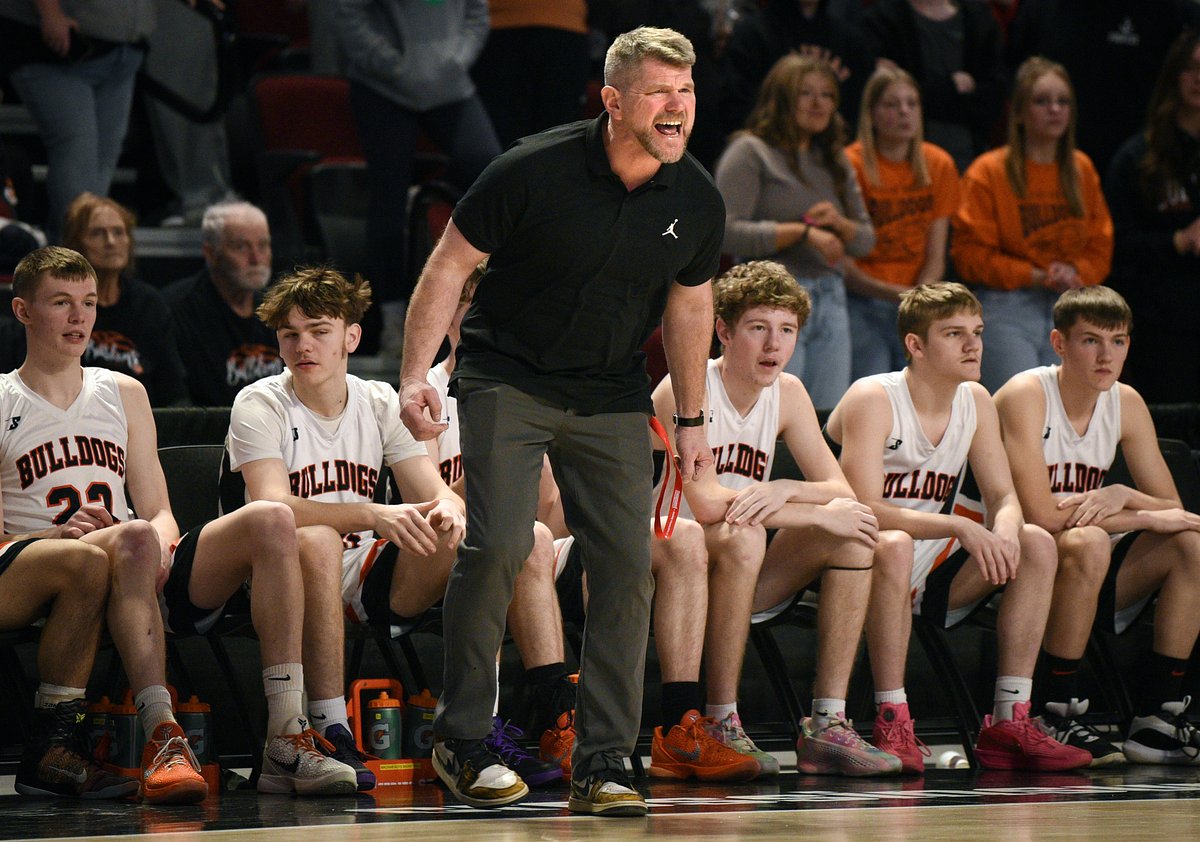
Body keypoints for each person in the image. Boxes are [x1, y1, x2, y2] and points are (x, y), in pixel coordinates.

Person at [398, 26, 723, 816]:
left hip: (610, 389)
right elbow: (449, 263)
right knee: (504, 542)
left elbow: (690, 304)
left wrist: (691, 417)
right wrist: (412, 374)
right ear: (614, 101)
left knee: (626, 563)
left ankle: (606, 759)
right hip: (506, 374)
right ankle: (462, 736)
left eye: (685, 91)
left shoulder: (697, 198)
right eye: (658, 91)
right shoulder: (531, 168)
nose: (676, 106)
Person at [5, 246, 362, 799]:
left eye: (90, 303)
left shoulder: (124, 392)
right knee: (117, 541)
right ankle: (161, 731)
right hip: (29, 562)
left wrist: (164, 543)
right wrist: (50, 536)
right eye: (61, 303)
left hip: (130, 557)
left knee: (268, 516)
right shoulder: (3, 397)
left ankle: (286, 736)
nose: (79, 318)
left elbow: (160, 509)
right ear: (23, 311)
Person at [427, 263, 753, 783]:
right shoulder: (427, 392)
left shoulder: (547, 388)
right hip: (455, 545)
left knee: (675, 537)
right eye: (473, 309)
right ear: (448, 316)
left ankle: (681, 722)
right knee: (522, 538)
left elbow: (558, 512)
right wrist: (503, 466)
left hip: (541, 546)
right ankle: (557, 713)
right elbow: (426, 495)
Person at [825, 282, 1091, 773]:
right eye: (955, 334)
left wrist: (1006, 529)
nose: (974, 345)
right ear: (916, 345)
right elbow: (863, 508)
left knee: (1035, 541)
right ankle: (891, 716)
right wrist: (960, 527)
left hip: (928, 563)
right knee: (894, 542)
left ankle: (1010, 719)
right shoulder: (873, 396)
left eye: (978, 332)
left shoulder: (975, 399)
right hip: (852, 563)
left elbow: (1004, 496)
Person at [224, 266, 467, 793]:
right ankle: (333, 725)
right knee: (314, 537)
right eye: (289, 334)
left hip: (363, 575)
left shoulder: (378, 400)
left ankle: (477, 726)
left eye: (318, 330)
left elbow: (431, 489)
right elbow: (272, 503)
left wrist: (450, 508)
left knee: (461, 534)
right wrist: (370, 515)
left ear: (351, 337)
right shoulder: (259, 402)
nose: (302, 345)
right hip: (273, 575)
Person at [653, 259, 900, 777]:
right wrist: (805, 511)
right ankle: (722, 719)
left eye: (786, 330)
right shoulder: (683, 386)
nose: (774, 345)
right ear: (722, 330)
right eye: (759, 328)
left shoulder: (789, 392)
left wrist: (785, 488)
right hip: (674, 570)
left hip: (746, 565)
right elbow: (705, 504)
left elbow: (840, 490)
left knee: (854, 534)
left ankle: (828, 725)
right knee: (744, 535)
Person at [995, 285, 1200, 766]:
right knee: (1087, 539)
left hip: (1082, 566)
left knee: (1190, 542)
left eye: (1119, 341)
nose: (1107, 356)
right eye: (1091, 341)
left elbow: (1172, 506)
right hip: (1007, 563)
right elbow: (1041, 516)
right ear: (1059, 343)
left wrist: (1125, 494)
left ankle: (1155, 718)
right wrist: (1143, 513)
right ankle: (1053, 708)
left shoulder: (1125, 401)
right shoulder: (1026, 393)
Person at [332, 0, 502, 354]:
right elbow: (349, 14)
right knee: (388, 197)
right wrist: (391, 64)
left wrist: (455, 59)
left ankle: (486, 307)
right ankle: (393, 320)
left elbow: (476, 14)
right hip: (383, 85)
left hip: (449, 83)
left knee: (493, 172)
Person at [715, 52, 875, 410]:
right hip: (768, 304)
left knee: (823, 417)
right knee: (770, 413)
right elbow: (723, 232)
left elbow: (865, 240)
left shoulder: (835, 159)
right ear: (783, 97)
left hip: (830, 297)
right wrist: (801, 232)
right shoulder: (750, 151)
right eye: (807, 93)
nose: (820, 104)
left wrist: (839, 223)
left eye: (828, 95)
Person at [951, 57, 1113, 393]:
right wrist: (1035, 275)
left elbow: (1101, 245)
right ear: (1020, 112)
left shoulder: (1081, 169)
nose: (1054, 109)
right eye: (1042, 101)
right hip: (1008, 304)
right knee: (1024, 407)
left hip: (1073, 302)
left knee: (1076, 414)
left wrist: (1074, 271)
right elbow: (970, 254)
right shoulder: (988, 171)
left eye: (1063, 101)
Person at [0, 0, 152, 241]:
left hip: (121, 51)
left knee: (103, 159)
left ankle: (88, 249)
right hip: (53, 52)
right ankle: (69, 257)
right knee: (77, 153)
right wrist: (50, 13)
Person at [844, 67, 960, 379]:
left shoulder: (939, 164)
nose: (904, 112)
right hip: (861, 298)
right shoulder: (850, 163)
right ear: (871, 113)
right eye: (892, 105)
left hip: (918, 301)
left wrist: (916, 297)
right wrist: (893, 293)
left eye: (912, 103)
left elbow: (937, 254)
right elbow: (843, 260)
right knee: (872, 385)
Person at [1105, 30, 1200, 405]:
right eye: (1191, 68)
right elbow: (1117, 244)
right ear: (1174, 76)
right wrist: (1178, 241)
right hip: (1161, 320)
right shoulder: (1137, 156)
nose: (1199, 79)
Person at [1006, 0, 1200, 178]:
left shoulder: (1175, 13)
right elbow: (1014, 81)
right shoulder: (1043, 10)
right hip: (1057, 163)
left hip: (1150, 167)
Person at [61, 192, 187, 406]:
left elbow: (173, 390)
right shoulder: (61, 304)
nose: (111, 242)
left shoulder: (150, 304)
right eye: (98, 233)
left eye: (118, 232)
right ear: (75, 243)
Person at [859, 0, 1005, 173]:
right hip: (898, 158)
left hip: (968, 155)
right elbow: (882, 97)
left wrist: (925, 93)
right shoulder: (882, 20)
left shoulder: (979, 19)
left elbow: (992, 100)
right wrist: (950, 88)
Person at [163, 200, 283, 407]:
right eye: (241, 247)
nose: (256, 258)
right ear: (211, 253)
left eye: (263, 245)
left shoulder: (278, 307)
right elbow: (177, 402)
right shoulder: (176, 310)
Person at [718, 0, 875, 137]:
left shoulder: (851, 42)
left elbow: (861, 114)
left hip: (829, 154)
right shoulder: (752, 35)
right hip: (767, 147)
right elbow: (735, 107)